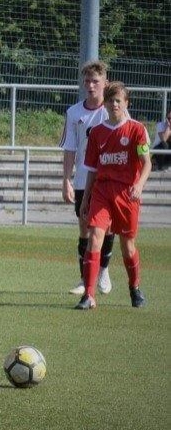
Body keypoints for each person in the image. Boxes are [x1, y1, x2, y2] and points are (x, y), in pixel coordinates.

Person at [75, 81, 151, 310]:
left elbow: (147, 163)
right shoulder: (97, 133)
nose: (114, 104)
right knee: (95, 237)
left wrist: (139, 185)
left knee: (127, 246)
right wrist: (86, 199)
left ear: (126, 103)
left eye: (118, 100)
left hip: (127, 194)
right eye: (110, 100)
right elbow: (92, 170)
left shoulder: (137, 129)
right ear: (105, 104)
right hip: (102, 192)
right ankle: (89, 295)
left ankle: (134, 287)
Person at [59, 60, 116, 296]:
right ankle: (85, 278)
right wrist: (66, 180)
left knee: (107, 228)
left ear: (105, 83)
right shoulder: (74, 112)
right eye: (87, 81)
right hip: (83, 179)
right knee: (84, 228)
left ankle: (103, 270)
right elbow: (70, 148)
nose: (90, 86)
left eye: (95, 81)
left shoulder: (113, 111)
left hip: (109, 181)